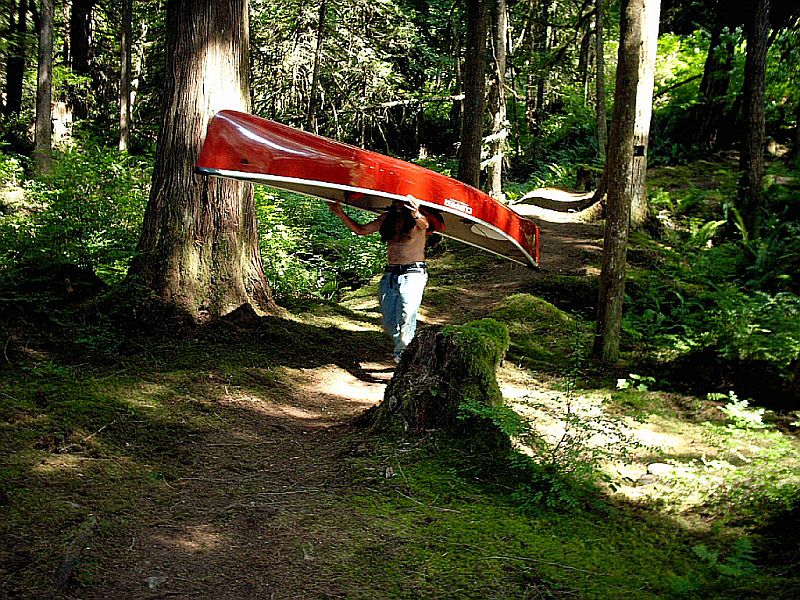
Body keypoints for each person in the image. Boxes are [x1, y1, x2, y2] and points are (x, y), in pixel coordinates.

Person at [328, 195, 439, 363]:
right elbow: (361, 230)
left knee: (407, 313)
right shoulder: (387, 219)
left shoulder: (418, 219)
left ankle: (402, 354)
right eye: (396, 201)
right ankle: (407, 348)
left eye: (403, 202)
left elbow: (425, 224)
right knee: (388, 321)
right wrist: (339, 212)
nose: (399, 204)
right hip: (391, 274)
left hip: (413, 273)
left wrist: (416, 212)